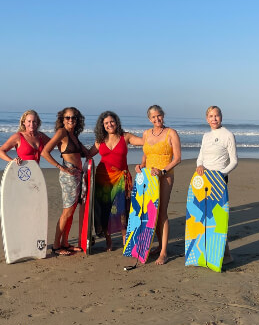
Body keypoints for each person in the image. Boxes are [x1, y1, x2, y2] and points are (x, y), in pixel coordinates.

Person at [88, 111, 143, 251]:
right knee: (105, 210)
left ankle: (125, 241)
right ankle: (109, 242)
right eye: (106, 123)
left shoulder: (126, 136)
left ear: (116, 122)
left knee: (122, 210)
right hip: (103, 179)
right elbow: (87, 154)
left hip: (121, 179)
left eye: (111, 121)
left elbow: (146, 143)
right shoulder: (100, 140)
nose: (109, 124)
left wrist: (144, 162)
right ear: (103, 125)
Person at [135, 105, 181, 265]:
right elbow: (146, 154)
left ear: (163, 115)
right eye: (153, 117)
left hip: (165, 176)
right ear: (149, 119)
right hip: (148, 177)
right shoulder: (146, 133)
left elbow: (177, 158)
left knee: (162, 212)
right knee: (150, 211)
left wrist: (162, 171)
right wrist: (141, 165)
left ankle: (163, 252)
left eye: (159, 116)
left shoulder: (171, 133)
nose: (157, 119)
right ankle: (157, 245)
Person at [41, 107, 90, 256]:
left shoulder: (74, 135)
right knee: (67, 212)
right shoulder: (62, 133)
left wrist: (106, 140)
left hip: (78, 174)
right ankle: (56, 246)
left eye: (74, 117)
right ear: (62, 120)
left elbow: (87, 153)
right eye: (67, 117)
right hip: (69, 175)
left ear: (77, 120)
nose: (71, 120)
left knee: (72, 211)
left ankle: (65, 243)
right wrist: (61, 167)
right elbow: (44, 152)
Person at [196, 105, 238, 265]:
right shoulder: (206, 136)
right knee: (204, 217)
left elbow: (234, 161)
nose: (214, 119)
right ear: (207, 119)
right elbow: (200, 156)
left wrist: (221, 174)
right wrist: (199, 165)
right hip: (204, 180)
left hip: (219, 180)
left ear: (221, 117)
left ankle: (226, 255)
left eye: (217, 116)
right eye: (211, 116)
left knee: (218, 218)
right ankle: (209, 253)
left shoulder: (228, 135)